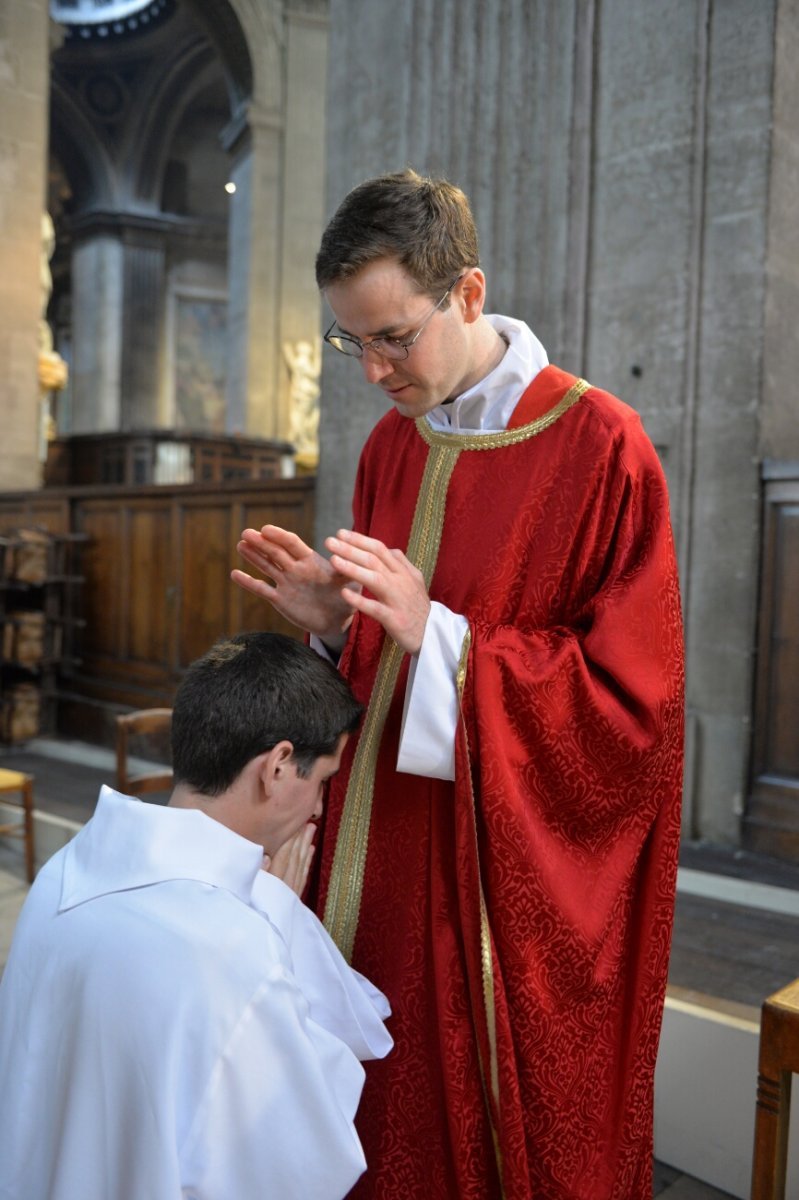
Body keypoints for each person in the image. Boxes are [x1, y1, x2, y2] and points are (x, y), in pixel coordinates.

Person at [232, 169, 685, 1200]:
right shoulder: (394, 447)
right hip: (374, 865)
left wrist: (442, 637)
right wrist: (335, 627)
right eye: (353, 341)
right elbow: (377, 666)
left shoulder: (600, 445)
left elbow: (633, 712)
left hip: (485, 886)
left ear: (468, 294)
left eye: (393, 336)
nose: (373, 371)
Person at [0, 632, 393, 1200]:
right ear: (278, 766)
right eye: (324, 782)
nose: (319, 807)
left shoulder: (64, 871)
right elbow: (300, 1160)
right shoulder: (233, 951)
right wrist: (274, 919)